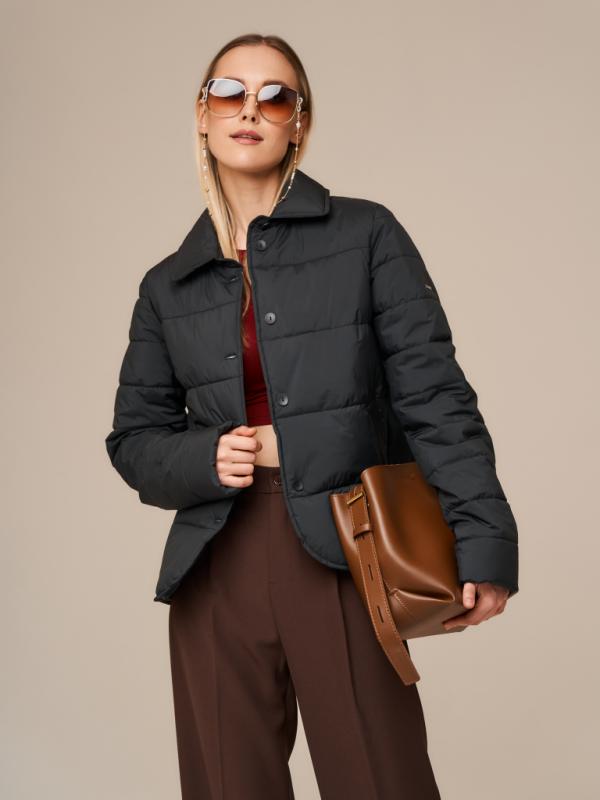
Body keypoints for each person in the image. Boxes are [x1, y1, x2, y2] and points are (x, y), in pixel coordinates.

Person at [105, 32, 519, 800]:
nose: (249, 110)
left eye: (275, 97)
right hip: (216, 560)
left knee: (380, 779)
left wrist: (484, 541)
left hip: (345, 542)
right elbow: (134, 438)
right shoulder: (168, 285)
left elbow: (435, 396)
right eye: (229, 92)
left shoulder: (366, 235)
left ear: (301, 122)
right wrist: (202, 457)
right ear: (202, 113)